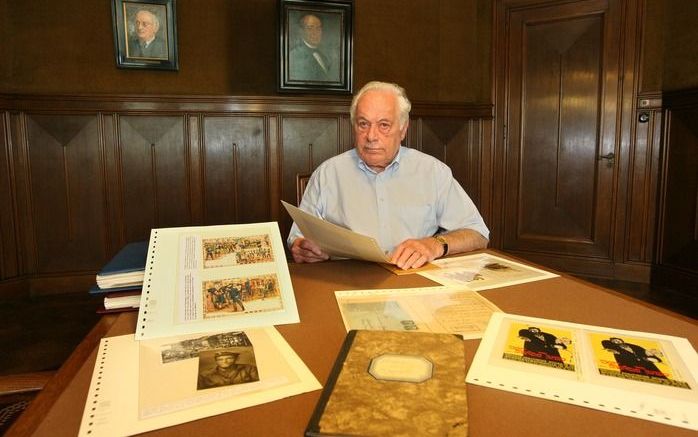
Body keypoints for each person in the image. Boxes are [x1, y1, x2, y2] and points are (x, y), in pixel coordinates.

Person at [287, 81, 489, 269]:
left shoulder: (433, 172)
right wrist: (301, 247)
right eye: (363, 124)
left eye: (384, 125)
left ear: (403, 129)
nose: (371, 136)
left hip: (412, 282)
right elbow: (297, 237)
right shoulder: (327, 174)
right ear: (354, 127)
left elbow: (478, 234)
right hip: (346, 281)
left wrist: (436, 244)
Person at [289, 13, 337, 82]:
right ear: (301, 31)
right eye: (310, 28)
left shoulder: (323, 56)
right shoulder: (294, 56)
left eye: (318, 28)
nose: (315, 32)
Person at [601, 337, 667, 379]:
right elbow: (604, 342)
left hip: (645, 364)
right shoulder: (615, 347)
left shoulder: (634, 346)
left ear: (622, 340)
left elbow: (644, 352)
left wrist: (656, 358)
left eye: (618, 340)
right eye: (614, 341)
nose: (616, 341)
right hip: (630, 365)